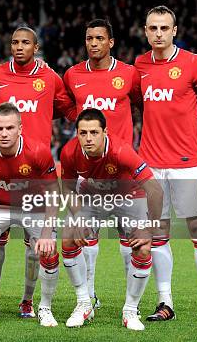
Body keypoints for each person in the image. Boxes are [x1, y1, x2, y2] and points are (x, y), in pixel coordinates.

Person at [0, 26, 75, 316]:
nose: (19, 46)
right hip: (1, 175)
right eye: (14, 41)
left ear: (36, 47)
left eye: (25, 42)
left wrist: (102, 125)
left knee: (35, 248)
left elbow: (67, 108)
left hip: (36, 175)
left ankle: (28, 301)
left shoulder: (50, 78)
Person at [135, 5, 197, 323]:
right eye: (152, 28)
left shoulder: (193, 63)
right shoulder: (139, 66)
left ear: (174, 31)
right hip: (151, 166)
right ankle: (165, 302)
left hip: (187, 164)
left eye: (164, 28)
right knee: (158, 233)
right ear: (145, 31)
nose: (158, 33)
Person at [62, 18, 142, 307]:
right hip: (89, 173)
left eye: (99, 38)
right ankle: (90, 298)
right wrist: (82, 121)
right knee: (85, 236)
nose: (93, 43)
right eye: (89, 39)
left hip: (123, 172)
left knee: (129, 240)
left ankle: (129, 302)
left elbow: (141, 101)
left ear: (111, 42)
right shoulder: (72, 74)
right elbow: (64, 104)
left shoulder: (129, 74)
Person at [60, 108, 163, 331]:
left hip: (128, 196)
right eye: (83, 133)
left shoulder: (121, 151)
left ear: (105, 132)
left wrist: (149, 228)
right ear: (76, 133)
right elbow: (67, 188)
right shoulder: (69, 152)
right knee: (68, 238)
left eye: (94, 132)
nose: (88, 138)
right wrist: (77, 217)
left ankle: (130, 309)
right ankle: (84, 303)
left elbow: (155, 190)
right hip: (92, 195)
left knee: (143, 248)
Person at [0, 103, 60, 327]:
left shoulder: (37, 151)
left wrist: (46, 233)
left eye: (9, 128)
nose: (4, 133)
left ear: (20, 128)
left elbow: (54, 192)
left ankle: (41, 306)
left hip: (34, 205)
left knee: (49, 251)